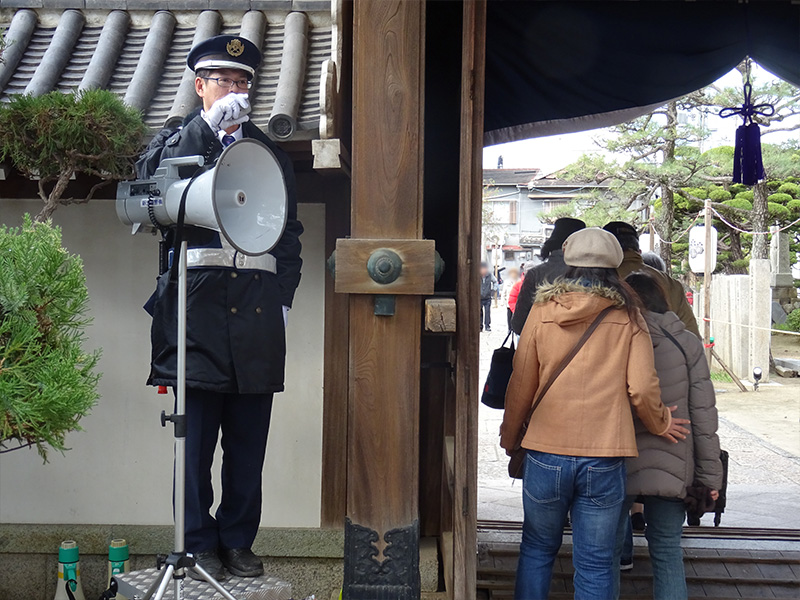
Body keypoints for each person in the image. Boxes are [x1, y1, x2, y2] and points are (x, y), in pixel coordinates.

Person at [136, 35, 303, 581]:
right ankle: (197, 541)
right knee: (196, 439)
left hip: (256, 311)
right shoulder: (176, 138)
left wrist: (282, 301)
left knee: (248, 444)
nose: (236, 89)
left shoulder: (268, 151)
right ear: (199, 84)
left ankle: (237, 539)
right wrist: (207, 130)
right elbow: (150, 188)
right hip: (197, 310)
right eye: (224, 80)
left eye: (244, 81)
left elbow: (289, 235)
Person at [500, 228, 689, 600]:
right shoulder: (629, 316)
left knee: (537, 549)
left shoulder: (541, 312)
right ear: (616, 265)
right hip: (604, 455)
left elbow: (520, 384)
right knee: (597, 561)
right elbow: (642, 387)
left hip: (545, 451)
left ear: (567, 260)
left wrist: (510, 438)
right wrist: (661, 423)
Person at [613, 273, 722, 600]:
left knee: (604, 553)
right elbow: (704, 416)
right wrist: (709, 477)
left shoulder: (617, 336)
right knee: (667, 551)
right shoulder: (687, 343)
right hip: (675, 462)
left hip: (619, 461)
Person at [603, 222, 700, 338]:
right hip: (666, 354)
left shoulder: (600, 279)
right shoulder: (671, 284)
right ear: (639, 251)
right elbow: (691, 334)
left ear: (605, 251)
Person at [510, 218, 586, 335]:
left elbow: (518, 324)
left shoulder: (536, 274)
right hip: (584, 349)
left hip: (543, 348)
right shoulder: (594, 274)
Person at [480, 262, 498, 332]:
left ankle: (487, 326)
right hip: (479, 297)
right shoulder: (477, 275)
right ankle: (480, 326)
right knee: (479, 312)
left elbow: (495, 281)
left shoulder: (489, 275)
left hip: (487, 297)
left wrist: (494, 289)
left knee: (487, 312)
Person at [503, 266, 521, 330]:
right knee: (509, 316)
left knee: (516, 316)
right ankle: (509, 328)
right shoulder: (506, 282)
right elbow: (504, 292)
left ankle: (515, 328)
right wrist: (504, 302)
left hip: (517, 302)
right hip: (509, 302)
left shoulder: (519, 281)